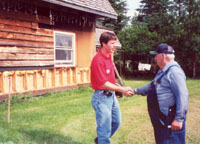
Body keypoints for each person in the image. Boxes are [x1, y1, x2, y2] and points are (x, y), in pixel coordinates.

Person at [132, 43, 188, 144]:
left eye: (156, 55)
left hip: (170, 118)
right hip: (161, 119)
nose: (155, 57)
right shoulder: (162, 71)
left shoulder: (175, 72)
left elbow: (182, 96)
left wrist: (179, 119)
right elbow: (151, 86)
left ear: (163, 55)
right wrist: (134, 90)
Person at [90, 32, 133, 144]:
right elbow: (103, 83)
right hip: (101, 97)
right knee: (104, 129)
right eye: (112, 43)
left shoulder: (109, 56)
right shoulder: (98, 60)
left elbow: (108, 78)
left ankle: (100, 140)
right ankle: (102, 140)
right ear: (104, 44)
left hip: (111, 95)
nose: (114, 45)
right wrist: (122, 90)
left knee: (116, 122)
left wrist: (116, 86)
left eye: (115, 43)